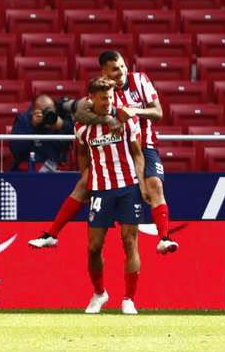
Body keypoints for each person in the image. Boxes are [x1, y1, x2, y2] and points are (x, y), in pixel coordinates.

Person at [29, 51, 179, 254]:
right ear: (105, 72)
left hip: (144, 144)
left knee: (155, 185)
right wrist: (107, 120)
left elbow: (158, 113)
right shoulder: (104, 90)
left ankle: (163, 238)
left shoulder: (140, 80)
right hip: (115, 148)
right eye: (115, 69)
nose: (121, 72)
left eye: (123, 66)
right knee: (83, 186)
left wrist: (133, 112)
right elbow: (82, 112)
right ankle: (51, 235)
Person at [76, 77, 148, 315]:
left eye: (110, 97)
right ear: (92, 98)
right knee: (94, 246)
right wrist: (85, 182)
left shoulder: (127, 121)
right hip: (101, 189)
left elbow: (138, 154)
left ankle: (129, 299)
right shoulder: (83, 127)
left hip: (128, 186)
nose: (108, 101)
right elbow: (82, 155)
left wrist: (142, 183)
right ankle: (99, 293)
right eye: (103, 97)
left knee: (130, 242)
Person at [9, 94, 74, 172]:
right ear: (33, 111)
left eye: (50, 111)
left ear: (55, 110)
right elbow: (16, 150)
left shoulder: (60, 119)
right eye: (43, 112)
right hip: (29, 170)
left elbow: (79, 136)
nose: (46, 115)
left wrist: (63, 125)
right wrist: (32, 127)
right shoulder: (24, 120)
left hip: (56, 170)